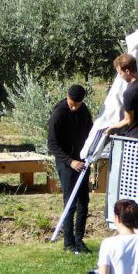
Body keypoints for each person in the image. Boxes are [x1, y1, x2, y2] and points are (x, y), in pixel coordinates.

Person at [47, 84, 94, 254]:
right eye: (72, 103)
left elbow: (90, 132)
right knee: (70, 203)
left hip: (82, 162)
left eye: (77, 104)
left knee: (83, 202)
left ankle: (79, 240)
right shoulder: (59, 113)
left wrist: (88, 155)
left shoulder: (84, 111)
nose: (74, 107)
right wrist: (70, 161)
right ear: (67, 97)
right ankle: (68, 243)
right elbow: (52, 144)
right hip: (66, 163)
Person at [104, 53, 138, 141]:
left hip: (137, 139)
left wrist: (112, 128)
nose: (120, 76)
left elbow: (128, 121)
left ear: (127, 71)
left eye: (120, 73)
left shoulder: (129, 93)